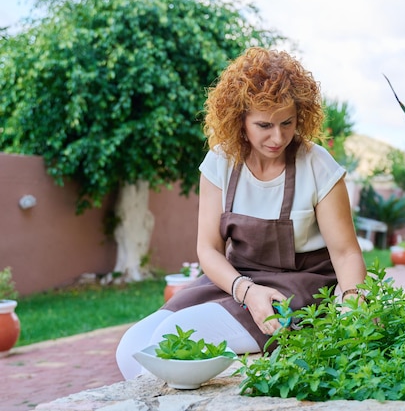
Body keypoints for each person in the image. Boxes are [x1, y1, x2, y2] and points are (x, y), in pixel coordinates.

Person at [116, 47, 367, 379]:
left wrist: (352, 303)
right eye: (264, 124)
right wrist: (247, 291)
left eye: (287, 122)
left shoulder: (317, 164)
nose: (277, 137)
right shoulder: (221, 161)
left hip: (300, 286)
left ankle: (253, 375)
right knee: (130, 350)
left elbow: (346, 252)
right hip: (235, 281)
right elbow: (208, 250)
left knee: (168, 341)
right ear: (240, 120)